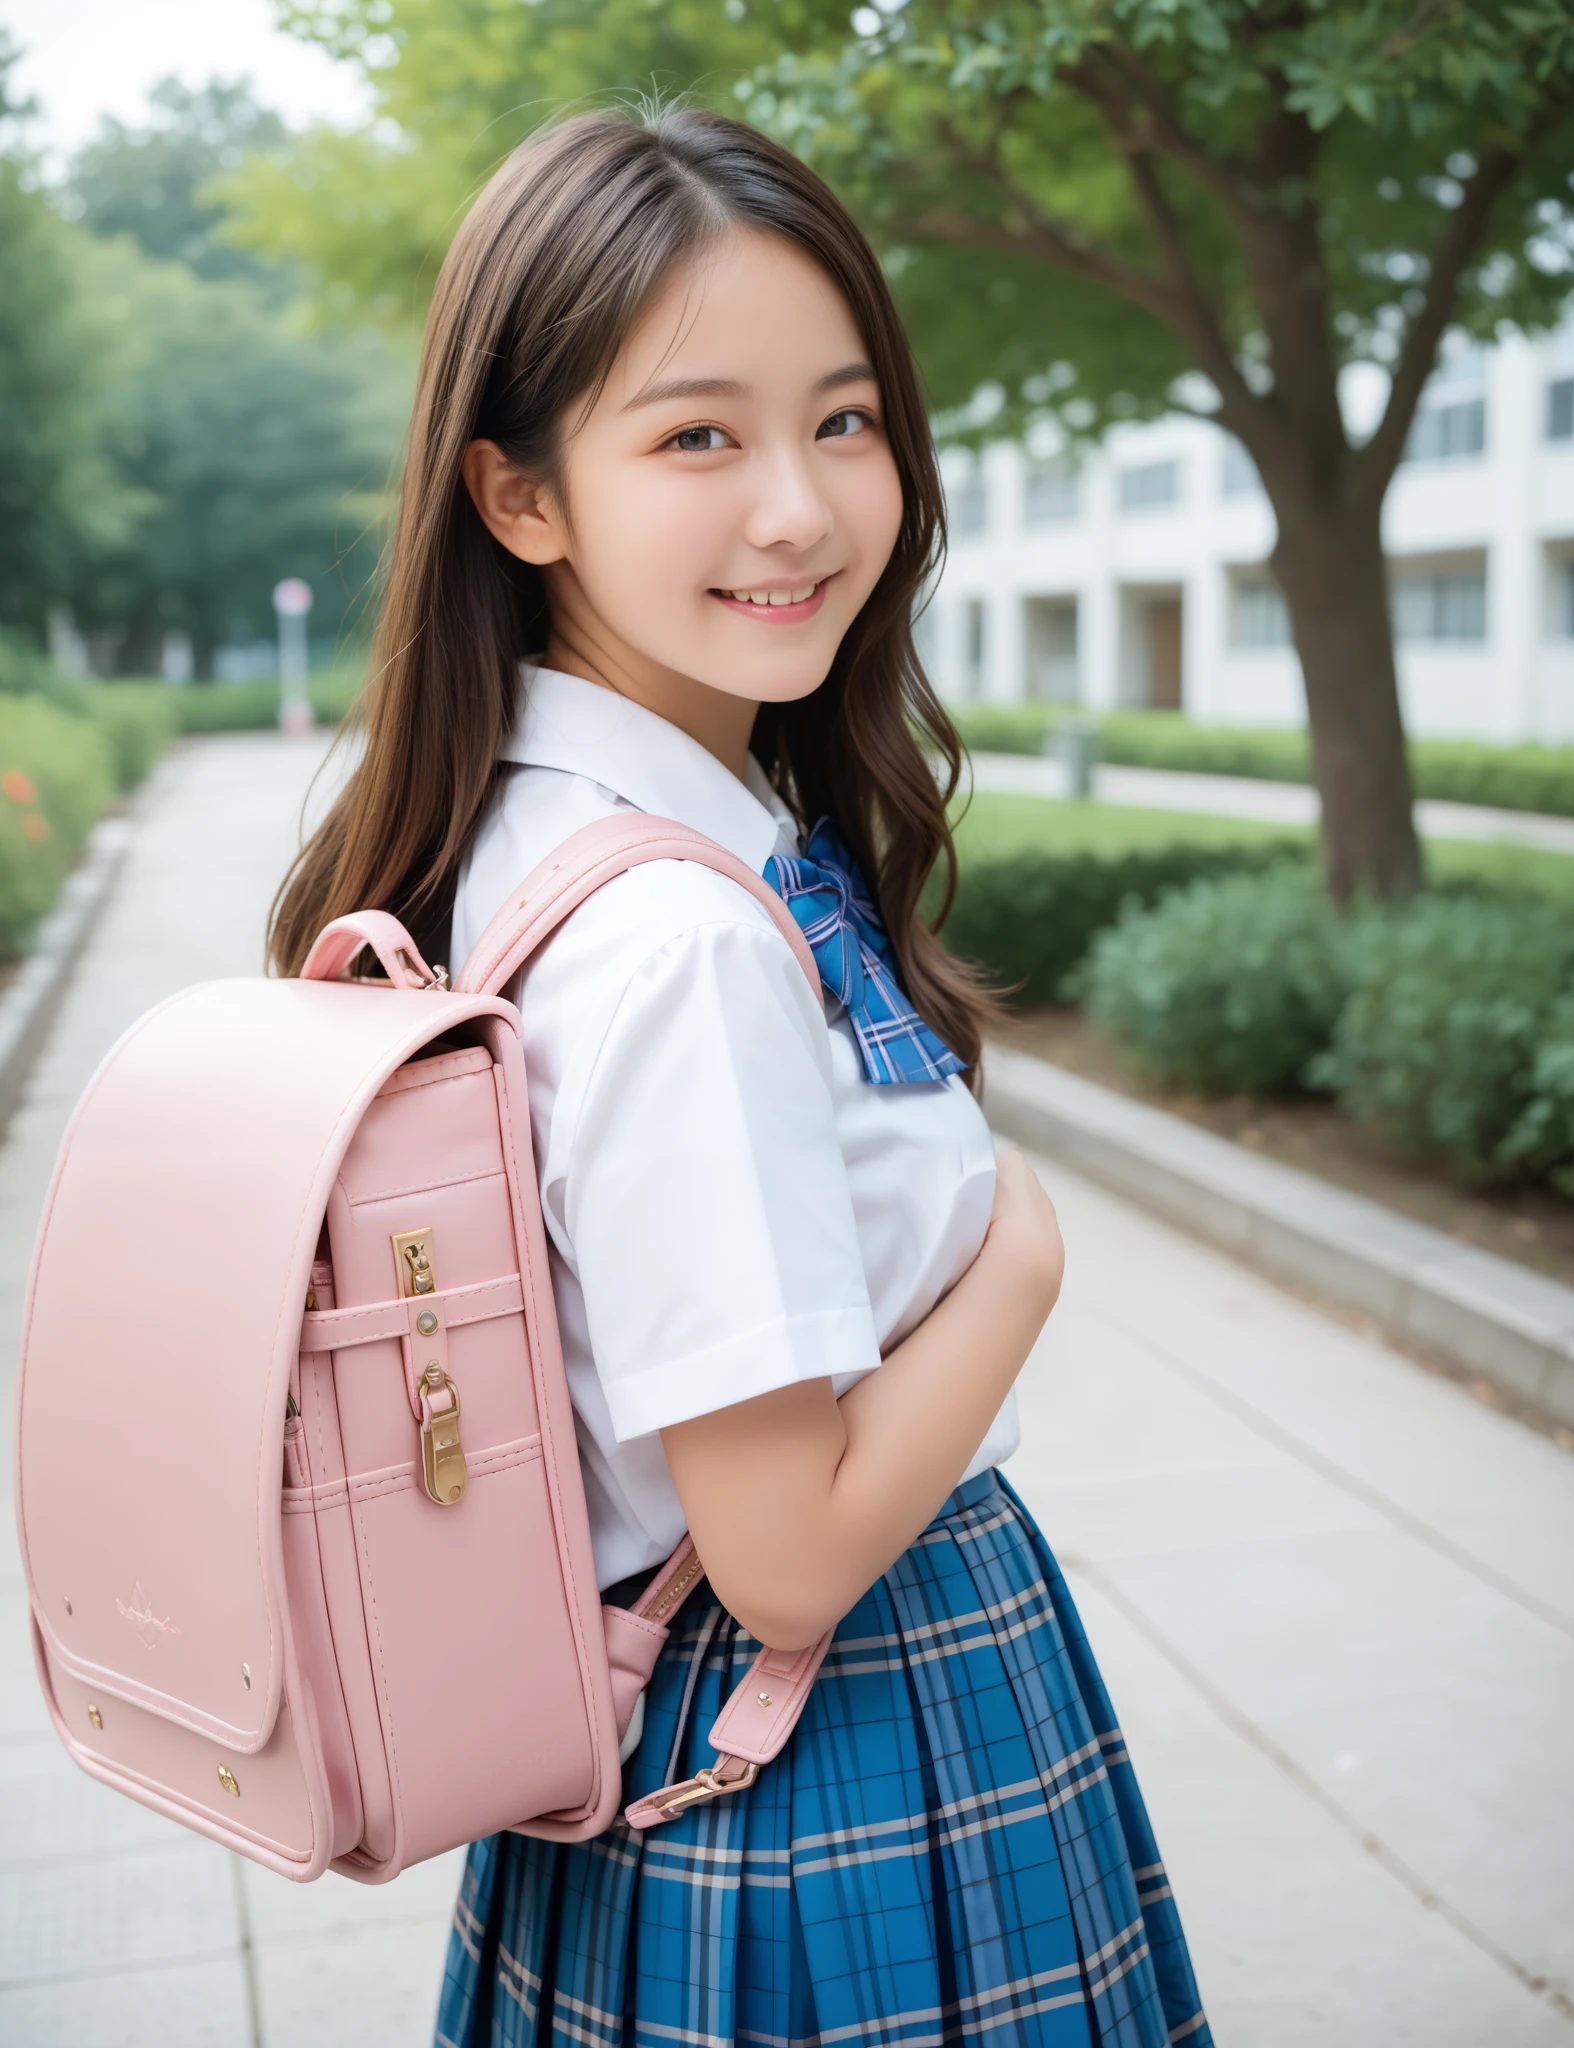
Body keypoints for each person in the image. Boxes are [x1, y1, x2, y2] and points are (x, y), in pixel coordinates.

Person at [270, 105, 1211, 2048]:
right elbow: (785, 1552)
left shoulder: (539, 823)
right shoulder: (676, 933)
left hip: (650, 1748)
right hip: (836, 1738)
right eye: (698, 434)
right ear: (520, 498)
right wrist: (1020, 1253)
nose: (797, 504)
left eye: (843, 420)